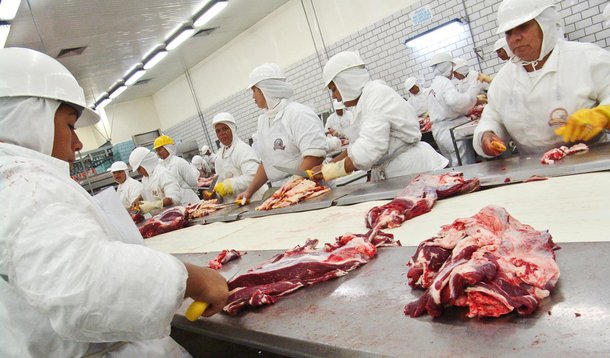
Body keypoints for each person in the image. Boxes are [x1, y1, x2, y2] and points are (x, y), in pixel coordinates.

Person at [0, 47, 228, 357]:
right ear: (27, 118)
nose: (78, 144)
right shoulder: (23, 186)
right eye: (70, 125)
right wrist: (190, 279)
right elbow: (84, 287)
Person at [473, 0, 610, 158]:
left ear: (545, 24)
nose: (514, 38)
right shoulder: (503, 79)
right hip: (535, 169)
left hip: (593, 159)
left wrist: (603, 114)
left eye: (523, 27)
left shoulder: (588, 58)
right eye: (509, 32)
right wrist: (486, 136)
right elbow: (491, 118)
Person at [314, 51, 448, 182]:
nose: (334, 97)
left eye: (333, 89)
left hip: (414, 171)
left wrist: (329, 171)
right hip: (398, 172)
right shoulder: (363, 103)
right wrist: (326, 166)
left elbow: (367, 151)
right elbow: (356, 148)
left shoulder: (377, 95)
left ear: (347, 82)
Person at [237, 63, 327, 202]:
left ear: (265, 90)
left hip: (309, 189)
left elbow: (315, 157)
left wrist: (290, 188)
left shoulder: (297, 113)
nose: (252, 96)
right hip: (283, 192)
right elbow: (266, 163)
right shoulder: (263, 121)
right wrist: (249, 191)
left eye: (254, 90)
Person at [428, 52, 484, 167]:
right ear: (447, 66)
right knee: (464, 165)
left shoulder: (434, 84)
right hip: (449, 131)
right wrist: (474, 99)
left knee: (452, 166)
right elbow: (454, 102)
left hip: (438, 131)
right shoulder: (445, 82)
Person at [211, 112, 266, 202]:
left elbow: (254, 176)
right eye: (218, 131)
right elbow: (219, 180)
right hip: (234, 204)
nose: (221, 133)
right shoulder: (219, 155)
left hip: (254, 200)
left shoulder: (242, 149)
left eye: (225, 129)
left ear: (232, 129)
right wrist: (215, 192)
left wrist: (230, 185)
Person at [129, 146, 182, 215]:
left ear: (146, 163)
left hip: (174, 215)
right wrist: (138, 200)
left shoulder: (163, 173)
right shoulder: (145, 178)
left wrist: (153, 205)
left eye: (139, 168)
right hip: (159, 218)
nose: (139, 173)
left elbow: (174, 198)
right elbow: (146, 192)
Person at [153, 135, 200, 205]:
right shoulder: (160, 166)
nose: (158, 153)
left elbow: (193, 183)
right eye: (157, 151)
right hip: (175, 204)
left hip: (189, 200)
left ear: (168, 148)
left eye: (160, 149)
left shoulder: (179, 162)